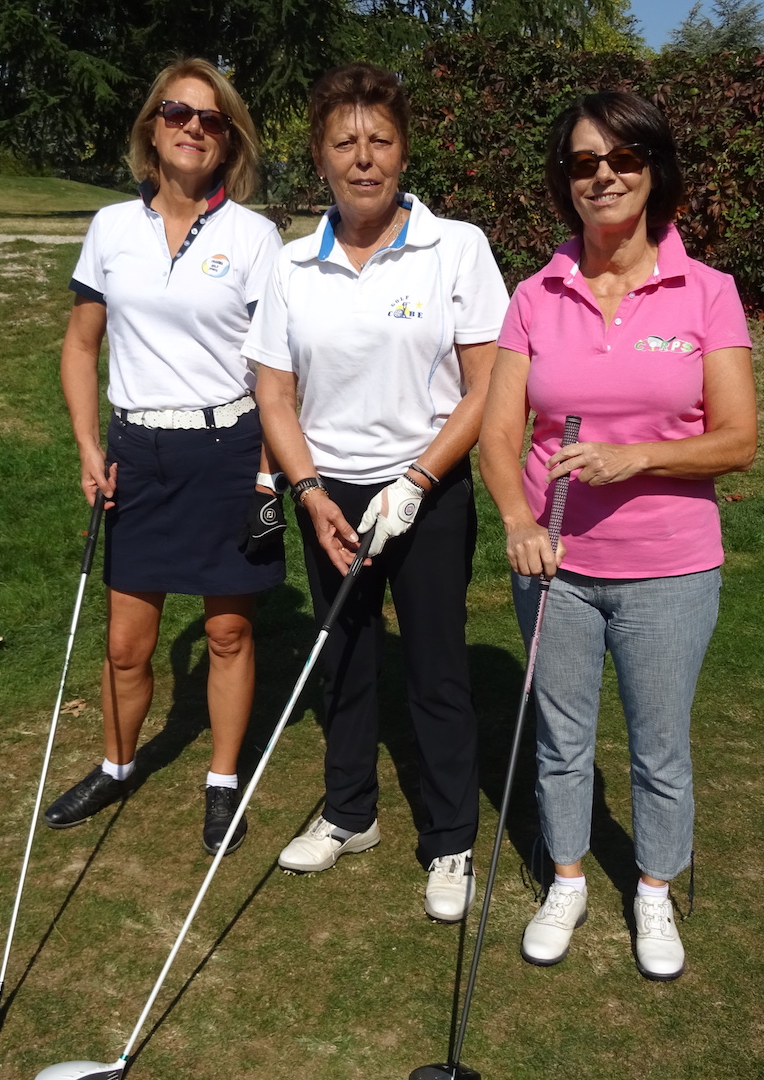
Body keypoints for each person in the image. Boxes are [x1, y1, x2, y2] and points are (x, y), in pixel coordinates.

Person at [479, 91, 757, 979]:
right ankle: (565, 878)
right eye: (582, 163)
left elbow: (739, 439)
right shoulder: (536, 292)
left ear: (652, 169)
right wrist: (518, 522)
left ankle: (652, 891)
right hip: (555, 563)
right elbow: (497, 433)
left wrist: (630, 460)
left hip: (670, 567)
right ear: (566, 182)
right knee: (562, 739)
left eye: (622, 159)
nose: (602, 176)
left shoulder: (706, 291)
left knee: (658, 743)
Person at [246, 62, 510, 922]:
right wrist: (310, 491)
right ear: (318, 158)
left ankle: (449, 842)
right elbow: (274, 394)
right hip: (328, 493)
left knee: (436, 668)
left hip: (426, 493)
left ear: (404, 150)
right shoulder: (291, 265)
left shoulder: (456, 247)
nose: (364, 158)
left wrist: (420, 480)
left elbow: (486, 389)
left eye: (380, 140)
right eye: (344, 142)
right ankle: (349, 813)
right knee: (343, 656)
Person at [48, 58, 287, 857]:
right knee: (126, 644)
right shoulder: (111, 228)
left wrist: (267, 469)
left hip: (228, 448)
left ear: (228, 141)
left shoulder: (256, 238)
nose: (193, 127)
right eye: (178, 112)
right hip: (139, 450)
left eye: (211, 119)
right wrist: (88, 445)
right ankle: (117, 764)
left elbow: (277, 369)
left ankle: (222, 782)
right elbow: (82, 348)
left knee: (226, 634)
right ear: (153, 127)